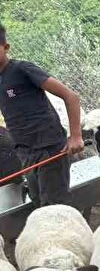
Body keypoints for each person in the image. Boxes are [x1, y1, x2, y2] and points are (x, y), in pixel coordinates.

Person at [0, 23, 84, 208]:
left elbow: (71, 97)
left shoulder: (22, 70)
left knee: (54, 206)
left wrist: (76, 136)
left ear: (6, 47)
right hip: (25, 152)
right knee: (38, 203)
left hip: (49, 148)